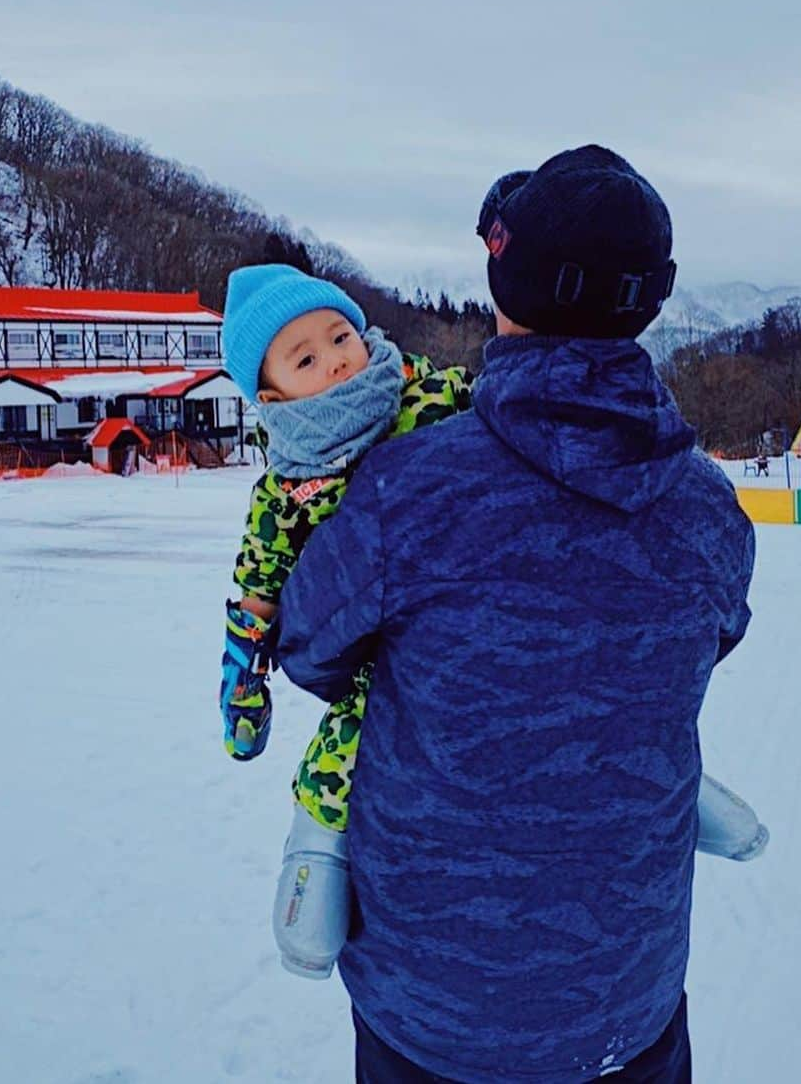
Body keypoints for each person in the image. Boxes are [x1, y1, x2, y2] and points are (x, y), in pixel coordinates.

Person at [274, 146, 759, 1083]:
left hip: (430, 1013)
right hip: (630, 1000)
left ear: (506, 285)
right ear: (652, 300)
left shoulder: (404, 495)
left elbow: (311, 653)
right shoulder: (708, 514)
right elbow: (710, 642)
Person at [218, 264, 473, 975]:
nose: (335, 359)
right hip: (381, 645)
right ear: (271, 395)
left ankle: (665, 778)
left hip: (478, 597)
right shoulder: (285, 490)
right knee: (355, 734)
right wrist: (243, 680)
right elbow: (257, 587)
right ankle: (317, 848)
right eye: (306, 358)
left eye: (340, 336)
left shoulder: (428, 398)